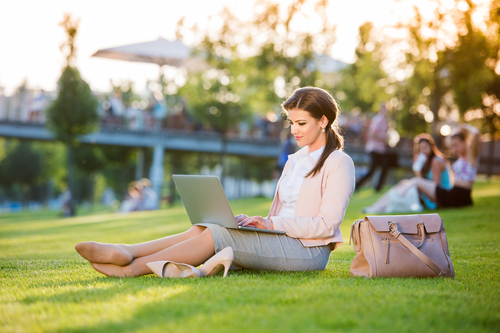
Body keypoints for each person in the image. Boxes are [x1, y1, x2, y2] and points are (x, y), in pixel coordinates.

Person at [74, 87, 356, 278]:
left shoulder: (338, 163)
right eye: (291, 122)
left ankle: (132, 268)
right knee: (208, 225)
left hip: (309, 252)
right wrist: (260, 222)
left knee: (216, 236)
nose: (294, 130)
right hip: (282, 238)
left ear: (323, 121)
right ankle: (128, 250)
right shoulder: (295, 160)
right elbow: (284, 213)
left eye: (301, 123)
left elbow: (326, 224)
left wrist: (272, 225)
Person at [362, 133, 451, 214]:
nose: (424, 151)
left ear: (431, 147)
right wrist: (418, 170)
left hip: (439, 197)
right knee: (403, 183)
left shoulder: (436, 161)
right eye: (421, 149)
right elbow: (422, 183)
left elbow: (436, 187)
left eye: (426, 148)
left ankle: (379, 207)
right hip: (430, 196)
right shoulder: (425, 162)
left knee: (410, 185)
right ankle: (375, 207)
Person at [399, 125, 481, 208]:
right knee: (407, 182)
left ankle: (397, 197)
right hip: (453, 193)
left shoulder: (471, 157)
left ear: (464, 142)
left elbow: (476, 133)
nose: (454, 149)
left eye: (456, 145)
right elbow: (447, 140)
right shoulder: (460, 158)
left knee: (416, 181)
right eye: (453, 146)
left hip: (460, 196)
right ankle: (392, 199)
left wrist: (463, 127)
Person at [355, 103, 390, 192]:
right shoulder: (378, 119)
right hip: (375, 148)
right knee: (373, 169)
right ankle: (357, 185)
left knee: (384, 167)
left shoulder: (385, 120)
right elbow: (372, 134)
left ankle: (378, 187)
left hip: (381, 149)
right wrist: (383, 137)